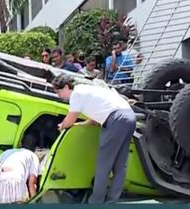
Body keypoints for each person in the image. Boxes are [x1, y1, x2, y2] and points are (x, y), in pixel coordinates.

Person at [52, 75, 136, 203]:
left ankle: (96, 201)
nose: (58, 95)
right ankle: (112, 201)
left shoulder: (76, 94)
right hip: (130, 117)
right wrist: (79, 124)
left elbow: (69, 120)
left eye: (58, 92)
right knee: (120, 165)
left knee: (104, 164)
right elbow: (94, 119)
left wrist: (62, 126)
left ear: (66, 87)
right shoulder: (87, 90)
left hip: (116, 120)